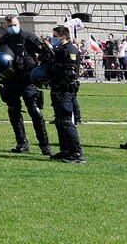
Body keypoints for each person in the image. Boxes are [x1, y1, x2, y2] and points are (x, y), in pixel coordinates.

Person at [0, 14, 52, 155]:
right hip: (11, 80)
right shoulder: (3, 40)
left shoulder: (29, 37)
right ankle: (21, 143)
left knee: (35, 111)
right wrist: (0, 76)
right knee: (13, 111)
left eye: (14, 24)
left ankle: (45, 145)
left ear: (18, 23)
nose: (12, 28)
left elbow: (46, 52)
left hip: (27, 79)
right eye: (9, 26)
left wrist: (40, 69)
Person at [46, 26, 84, 163]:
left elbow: (71, 72)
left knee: (66, 121)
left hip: (65, 89)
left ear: (63, 37)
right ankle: (66, 150)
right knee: (59, 120)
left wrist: (57, 73)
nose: (53, 38)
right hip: (58, 88)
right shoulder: (59, 49)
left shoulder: (69, 50)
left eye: (55, 36)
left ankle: (77, 153)